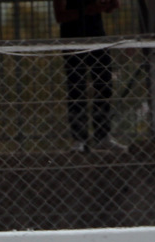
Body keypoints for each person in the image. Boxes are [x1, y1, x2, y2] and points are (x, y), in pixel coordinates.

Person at [53, 0, 126, 153]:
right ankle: (80, 139)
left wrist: (109, 5)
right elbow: (60, 16)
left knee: (104, 84)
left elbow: (111, 7)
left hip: (97, 37)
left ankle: (102, 135)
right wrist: (87, 10)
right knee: (76, 87)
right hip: (72, 38)